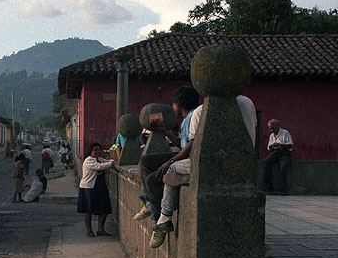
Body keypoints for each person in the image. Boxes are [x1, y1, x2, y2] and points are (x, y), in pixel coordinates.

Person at [151, 95, 258, 248]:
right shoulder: (247, 102)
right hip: (246, 164)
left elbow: (192, 148)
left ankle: (164, 217)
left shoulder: (200, 112)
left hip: (212, 165)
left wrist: (171, 161)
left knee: (172, 169)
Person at [133, 87, 199, 225]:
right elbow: (183, 144)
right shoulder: (187, 119)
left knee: (153, 179)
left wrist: (170, 162)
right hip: (183, 155)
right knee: (146, 161)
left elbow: (191, 147)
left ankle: (158, 218)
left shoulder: (193, 116)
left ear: (178, 103)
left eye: (173, 104)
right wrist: (165, 132)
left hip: (188, 160)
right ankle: (149, 201)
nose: (173, 107)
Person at [77, 142, 118, 237]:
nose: (97, 152)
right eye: (95, 150)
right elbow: (99, 167)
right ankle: (89, 230)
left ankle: (101, 229)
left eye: (99, 150)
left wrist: (113, 160)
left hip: (99, 187)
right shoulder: (89, 160)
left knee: (104, 208)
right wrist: (112, 163)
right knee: (88, 210)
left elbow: (105, 162)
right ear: (91, 151)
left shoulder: (99, 159)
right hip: (88, 188)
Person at [264, 119, 293, 196]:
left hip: (284, 153)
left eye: (272, 128)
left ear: (277, 126)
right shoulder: (271, 136)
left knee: (283, 168)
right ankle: (268, 186)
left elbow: (290, 145)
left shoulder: (285, 133)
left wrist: (280, 145)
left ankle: (283, 190)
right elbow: (268, 147)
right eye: (270, 128)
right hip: (275, 152)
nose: (271, 130)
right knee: (267, 162)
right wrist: (272, 145)